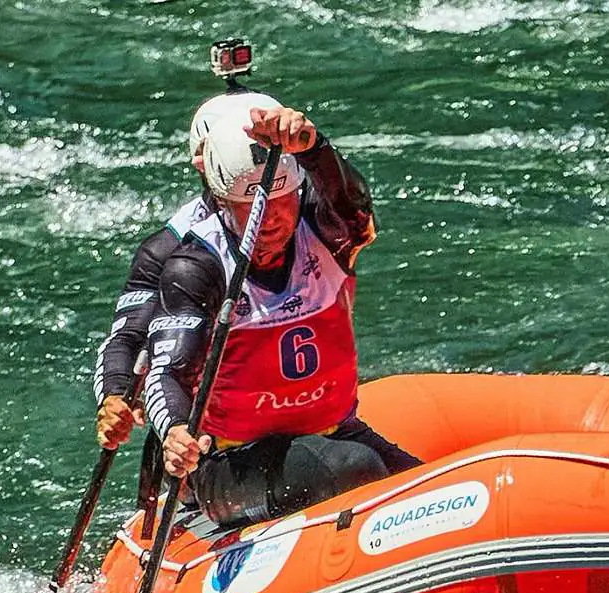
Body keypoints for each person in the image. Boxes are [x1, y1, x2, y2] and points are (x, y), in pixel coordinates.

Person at [144, 107, 421, 526]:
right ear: (221, 202)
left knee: (425, 488)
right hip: (230, 461)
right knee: (354, 467)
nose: (271, 217)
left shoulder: (327, 236)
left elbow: (354, 205)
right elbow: (166, 372)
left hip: (334, 432)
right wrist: (176, 432)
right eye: (251, 204)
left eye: (281, 199)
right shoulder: (198, 266)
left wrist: (313, 148)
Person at [93, 91, 282, 450]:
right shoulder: (172, 251)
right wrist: (115, 396)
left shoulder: (304, 219)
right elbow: (127, 338)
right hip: (211, 436)